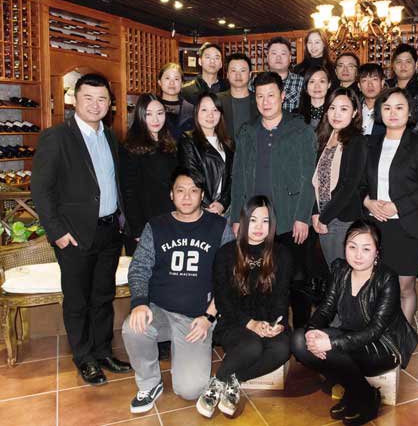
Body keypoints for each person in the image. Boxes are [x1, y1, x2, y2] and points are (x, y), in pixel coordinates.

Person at [31, 73, 132, 385]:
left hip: (109, 231)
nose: (95, 105)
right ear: (74, 100)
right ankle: (84, 357)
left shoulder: (110, 136)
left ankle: (103, 351)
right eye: (88, 98)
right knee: (77, 300)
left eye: (102, 99)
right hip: (74, 235)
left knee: (103, 296)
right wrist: (57, 232)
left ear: (110, 103)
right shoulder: (57, 137)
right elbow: (41, 190)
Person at [122, 167, 233, 413]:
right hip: (159, 310)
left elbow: (230, 277)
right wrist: (139, 303)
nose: (186, 197)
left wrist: (209, 317)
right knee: (133, 327)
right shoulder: (157, 226)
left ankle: (183, 357)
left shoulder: (219, 226)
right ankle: (150, 383)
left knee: (190, 390)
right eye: (180, 190)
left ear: (202, 195)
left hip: (196, 318)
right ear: (171, 194)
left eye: (193, 191)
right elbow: (139, 267)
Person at [292, 219, 418, 426]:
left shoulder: (386, 278)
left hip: (383, 346)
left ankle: (367, 398)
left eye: (366, 249)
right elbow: (326, 308)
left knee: (333, 349)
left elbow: (375, 330)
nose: (358, 255)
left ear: (377, 252)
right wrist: (312, 330)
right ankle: (357, 391)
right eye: (352, 247)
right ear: (345, 247)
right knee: (299, 341)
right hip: (350, 337)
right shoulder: (340, 270)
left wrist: (332, 342)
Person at [231, 71, 316, 328]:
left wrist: (302, 217)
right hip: (256, 222)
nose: (265, 101)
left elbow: (309, 177)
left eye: (271, 95)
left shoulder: (300, 130)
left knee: (297, 280)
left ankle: (300, 332)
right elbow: (238, 177)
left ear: (283, 96)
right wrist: (237, 218)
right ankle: (266, 330)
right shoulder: (248, 132)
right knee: (259, 280)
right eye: (260, 96)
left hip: (290, 219)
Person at [197, 196, 292, 418]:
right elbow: (222, 300)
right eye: (253, 220)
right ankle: (216, 383)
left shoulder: (282, 254)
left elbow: (281, 296)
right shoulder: (226, 253)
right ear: (243, 221)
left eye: (265, 221)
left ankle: (232, 380)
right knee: (252, 346)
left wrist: (278, 323)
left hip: (266, 320)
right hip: (234, 322)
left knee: (282, 348)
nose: (259, 227)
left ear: (272, 224)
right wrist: (250, 323)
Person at [362, 88, 418, 324]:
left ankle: (402, 336)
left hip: (406, 225)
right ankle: (378, 333)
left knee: (405, 287)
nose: (393, 113)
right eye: (387, 107)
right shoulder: (370, 143)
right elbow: (358, 182)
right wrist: (367, 202)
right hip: (376, 225)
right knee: (376, 286)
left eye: (399, 107)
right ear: (379, 112)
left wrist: (397, 206)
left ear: (410, 112)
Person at [312, 87, 367, 267]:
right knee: (334, 273)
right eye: (332, 108)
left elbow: (349, 186)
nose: (336, 114)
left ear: (355, 112)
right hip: (324, 217)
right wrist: (315, 212)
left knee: (343, 274)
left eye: (344, 109)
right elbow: (317, 181)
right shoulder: (324, 139)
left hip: (343, 219)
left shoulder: (357, 141)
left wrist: (324, 217)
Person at [120, 94, 177, 255]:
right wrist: (138, 230)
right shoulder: (130, 147)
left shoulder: (170, 145)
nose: (155, 119)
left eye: (160, 113)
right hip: (144, 226)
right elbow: (128, 193)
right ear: (140, 116)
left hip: (169, 221)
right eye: (148, 114)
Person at [178, 92, 234, 216]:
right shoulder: (188, 140)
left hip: (225, 209)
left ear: (220, 113)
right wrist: (208, 206)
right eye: (204, 110)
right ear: (196, 112)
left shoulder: (228, 142)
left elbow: (232, 177)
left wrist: (222, 203)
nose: (210, 115)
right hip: (201, 208)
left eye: (215, 110)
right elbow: (193, 176)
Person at [386, 44, 418, 135]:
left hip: (410, 141)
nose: (403, 66)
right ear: (393, 66)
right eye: (399, 62)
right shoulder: (386, 87)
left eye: (408, 62)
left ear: (416, 65)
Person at [217, 53, 259, 141]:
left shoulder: (259, 100)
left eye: (242, 70)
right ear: (227, 74)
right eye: (233, 71)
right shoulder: (217, 100)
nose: (238, 75)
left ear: (250, 74)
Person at [263, 36, 304, 112]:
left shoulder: (301, 82)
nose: (278, 58)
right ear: (267, 57)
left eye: (283, 53)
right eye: (274, 53)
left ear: (290, 58)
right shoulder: (256, 82)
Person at [157, 62, 195, 141]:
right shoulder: (150, 108)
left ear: (182, 83)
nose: (172, 83)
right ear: (159, 82)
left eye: (176, 79)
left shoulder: (192, 109)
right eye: (167, 78)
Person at [357, 63, 386, 136]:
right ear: (359, 86)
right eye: (364, 80)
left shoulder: (388, 110)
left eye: (374, 79)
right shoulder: (354, 110)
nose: (370, 84)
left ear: (382, 83)